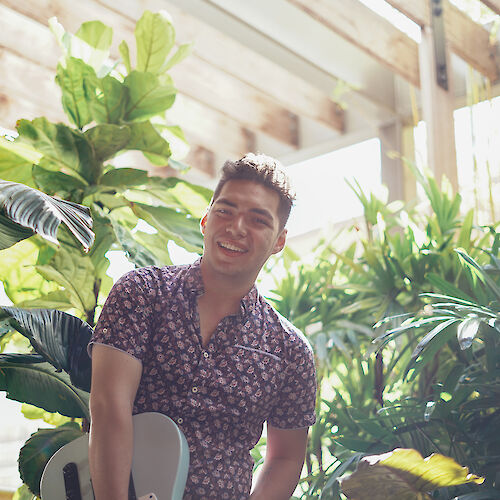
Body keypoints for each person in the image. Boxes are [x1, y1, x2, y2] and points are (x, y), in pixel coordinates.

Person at [88, 153, 317, 500]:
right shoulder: (141, 293)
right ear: (206, 220)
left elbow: (286, 457)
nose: (236, 227)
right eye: (225, 211)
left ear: (279, 241)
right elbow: (108, 407)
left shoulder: (291, 352)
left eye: (258, 220)